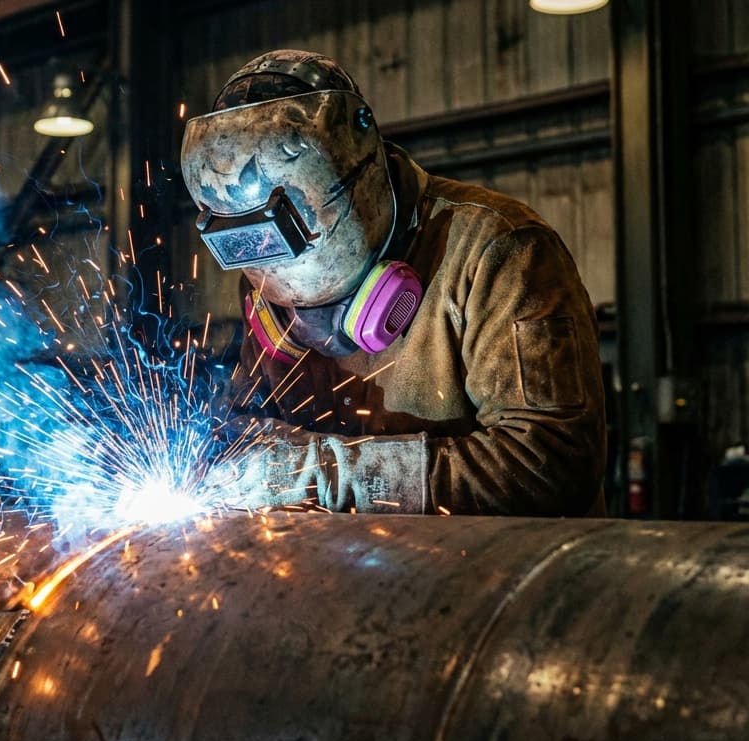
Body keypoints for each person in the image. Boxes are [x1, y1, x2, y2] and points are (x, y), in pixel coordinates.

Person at [181, 49, 607, 516]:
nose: (298, 315)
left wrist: (321, 474)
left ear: (360, 182)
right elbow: (245, 425)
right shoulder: (264, 281)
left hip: (493, 575)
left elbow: (550, 465)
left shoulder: (498, 249)